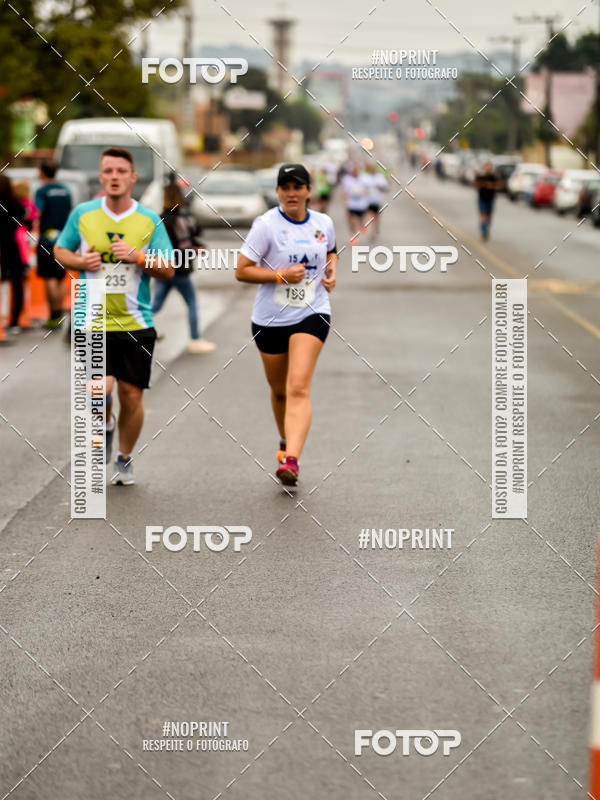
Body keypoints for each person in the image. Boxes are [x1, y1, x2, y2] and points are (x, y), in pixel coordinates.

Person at [54, 147, 175, 486]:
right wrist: (80, 262)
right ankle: (105, 425)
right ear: (101, 177)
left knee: (132, 396)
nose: (115, 177)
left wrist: (138, 257)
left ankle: (123, 457)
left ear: (133, 178)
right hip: (91, 320)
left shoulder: (149, 221)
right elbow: (60, 250)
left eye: (122, 171)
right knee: (98, 390)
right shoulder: (83, 214)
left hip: (136, 323)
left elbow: (168, 269)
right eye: (108, 171)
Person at [235, 163, 337, 486]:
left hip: (313, 311)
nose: (291, 193)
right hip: (269, 318)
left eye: (298, 187)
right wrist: (279, 275)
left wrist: (332, 270)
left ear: (309, 191)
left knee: (297, 387)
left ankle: (291, 460)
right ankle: (285, 441)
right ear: (278, 191)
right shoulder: (265, 225)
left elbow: (331, 252)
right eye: (285, 187)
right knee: (279, 391)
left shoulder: (324, 223)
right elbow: (242, 270)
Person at [152, 181, 216, 354]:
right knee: (192, 303)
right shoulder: (180, 220)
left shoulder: (159, 219)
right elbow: (185, 245)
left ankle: (135, 329)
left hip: (162, 269)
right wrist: (198, 249)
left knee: (155, 305)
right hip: (179, 269)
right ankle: (195, 340)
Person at [34, 162, 72, 328]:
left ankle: (53, 316)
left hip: (47, 238)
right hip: (63, 238)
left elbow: (37, 212)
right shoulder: (65, 191)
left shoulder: (42, 191)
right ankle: (58, 313)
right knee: (59, 276)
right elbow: (69, 212)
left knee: (49, 276)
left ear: (42, 172)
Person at [0, 175, 28, 334]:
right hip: (16, 249)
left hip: (3, 249)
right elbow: (25, 220)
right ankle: (15, 320)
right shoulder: (16, 204)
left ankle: (3, 319)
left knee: (3, 284)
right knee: (17, 285)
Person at [474, 161, 503, 240]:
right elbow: (475, 185)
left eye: (488, 166)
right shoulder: (480, 176)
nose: (487, 168)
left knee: (489, 216)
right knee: (483, 215)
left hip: (491, 199)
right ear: (483, 167)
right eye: (486, 166)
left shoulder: (493, 176)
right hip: (482, 199)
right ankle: (483, 231)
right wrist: (484, 184)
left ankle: (486, 228)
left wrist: (492, 185)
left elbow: (500, 186)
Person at [340, 164, 369, 245]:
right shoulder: (347, 180)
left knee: (360, 220)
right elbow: (344, 192)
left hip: (361, 205)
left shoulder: (364, 179)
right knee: (351, 221)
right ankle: (353, 236)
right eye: (353, 170)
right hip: (351, 204)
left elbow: (367, 191)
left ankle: (362, 225)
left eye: (356, 170)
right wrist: (344, 202)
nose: (355, 172)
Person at [362, 164, 388, 240]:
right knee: (370, 217)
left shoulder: (380, 177)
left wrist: (380, 186)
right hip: (367, 201)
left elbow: (386, 188)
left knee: (376, 217)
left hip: (377, 201)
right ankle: (372, 232)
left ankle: (375, 228)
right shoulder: (365, 177)